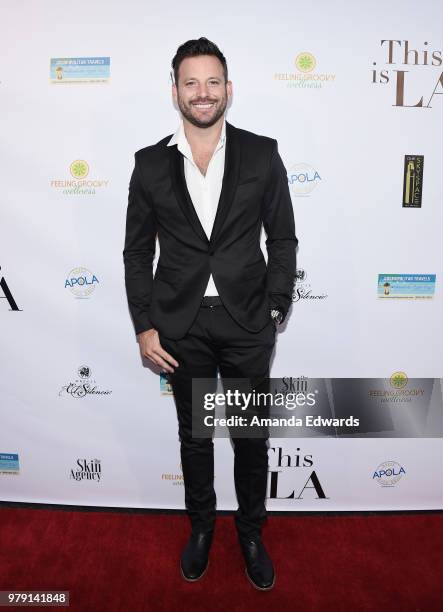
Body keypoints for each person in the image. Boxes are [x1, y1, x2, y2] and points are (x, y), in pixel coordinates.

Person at [123, 37, 297, 591]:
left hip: (247, 323)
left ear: (229, 89)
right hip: (181, 326)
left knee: (249, 438)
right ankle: (201, 527)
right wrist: (145, 323)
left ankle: (250, 532)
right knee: (194, 438)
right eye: (191, 82)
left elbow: (284, 237)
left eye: (213, 82)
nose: (203, 93)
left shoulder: (262, 153)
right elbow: (136, 251)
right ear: (174, 90)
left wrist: (275, 305)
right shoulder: (149, 164)